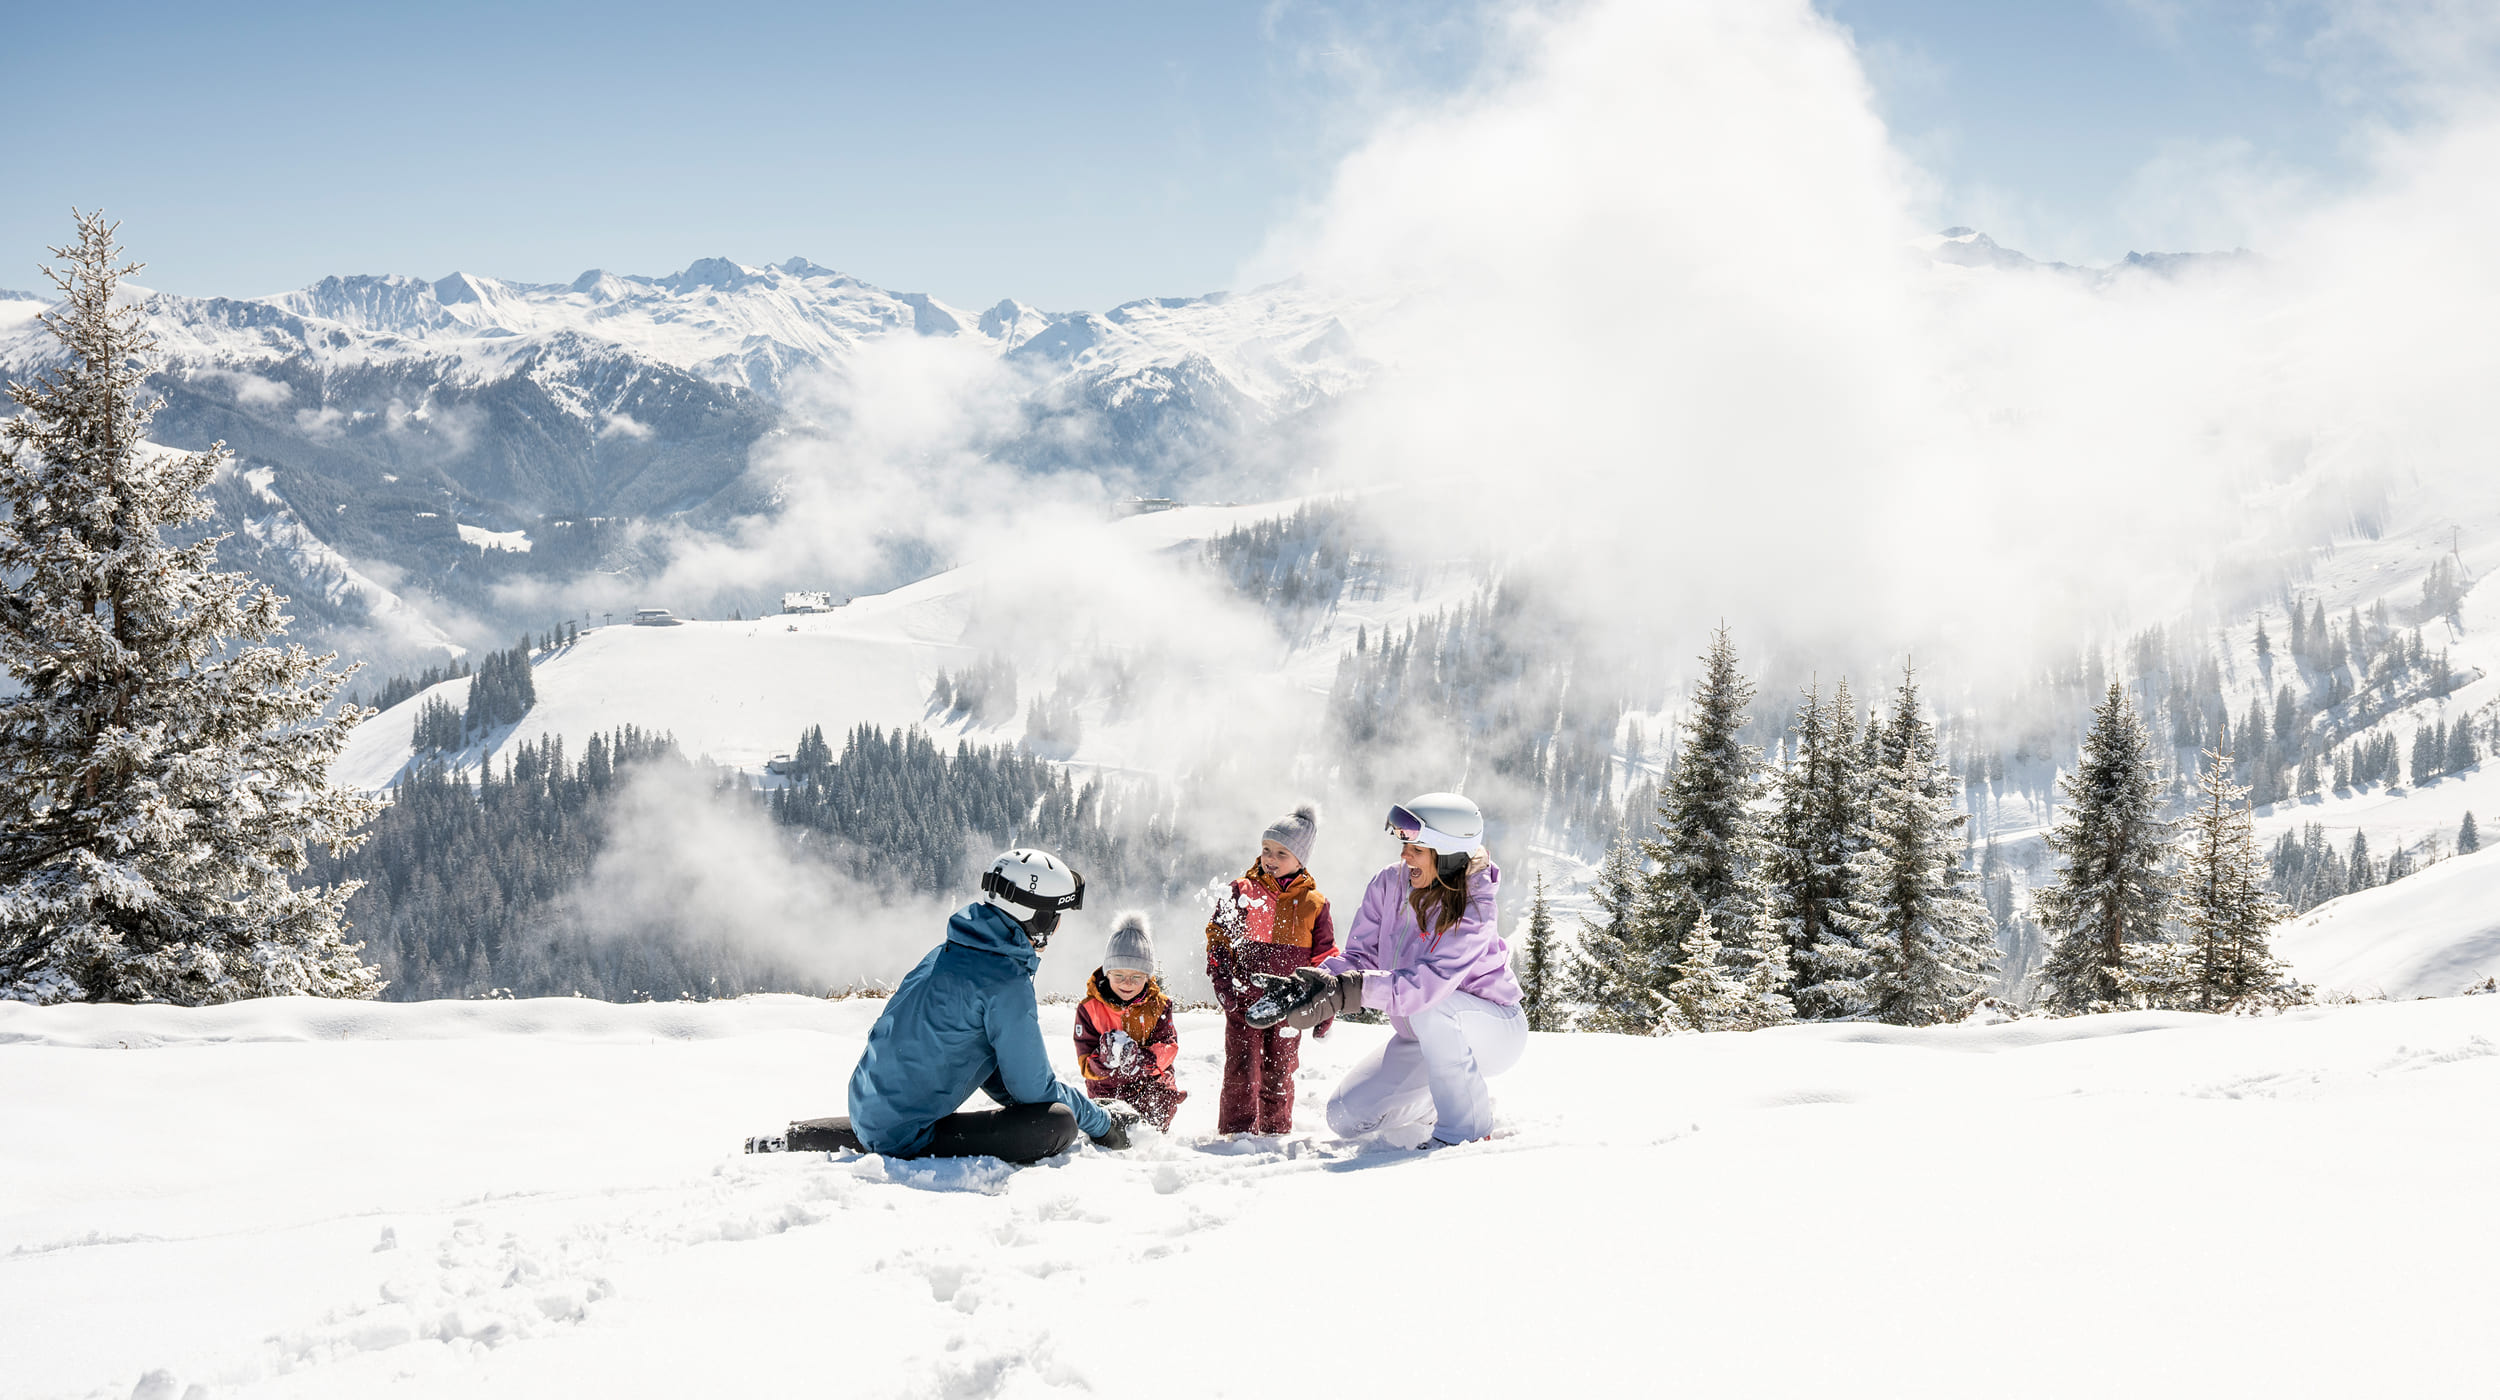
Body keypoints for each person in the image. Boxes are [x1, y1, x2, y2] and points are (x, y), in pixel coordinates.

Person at [756, 848, 1134, 1162]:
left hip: (867, 1108)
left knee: (890, 1126)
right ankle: (865, 1140)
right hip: (899, 1133)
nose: (1056, 929)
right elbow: (1035, 1091)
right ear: (1037, 919)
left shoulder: (948, 952)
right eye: (1056, 918)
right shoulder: (1005, 982)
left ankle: (795, 1137)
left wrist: (1024, 1096)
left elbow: (984, 1061)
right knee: (1058, 1123)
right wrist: (1102, 1124)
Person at [1246, 793, 1524, 1148]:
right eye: (1404, 845)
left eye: (1416, 849)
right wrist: (1316, 983)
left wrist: (1349, 991)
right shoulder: (1388, 884)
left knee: (1433, 1009)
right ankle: (1442, 1100)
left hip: (1493, 1031)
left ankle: (1465, 1129)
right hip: (1423, 1032)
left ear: (1449, 854)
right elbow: (1360, 956)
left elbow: (1426, 987)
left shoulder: (1475, 909)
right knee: (1345, 1116)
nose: (1404, 855)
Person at [1205, 804, 1334, 1134]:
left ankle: (1275, 1133)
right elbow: (1218, 937)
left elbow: (1325, 958)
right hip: (1243, 999)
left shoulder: (1314, 904)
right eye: (1266, 849)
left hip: (1290, 1006)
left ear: (1301, 859)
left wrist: (1324, 1008)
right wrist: (1223, 982)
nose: (1270, 858)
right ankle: (1236, 1134)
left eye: (1281, 852)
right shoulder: (1240, 891)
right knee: (1241, 1068)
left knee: (1281, 1069)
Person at [1074, 913, 1187, 1131]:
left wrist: (1141, 1060)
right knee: (1112, 1127)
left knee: (1156, 1113)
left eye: (1136, 977)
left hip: (1148, 1082)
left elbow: (1168, 1046)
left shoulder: (1159, 1005)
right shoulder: (1089, 1009)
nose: (1127, 983)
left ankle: (1152, 1138)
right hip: (1106, 1085)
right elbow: (1085, 1061)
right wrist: (1104, 1060)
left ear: (1147, 977)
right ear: (1107, 974)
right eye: (1119, 976)